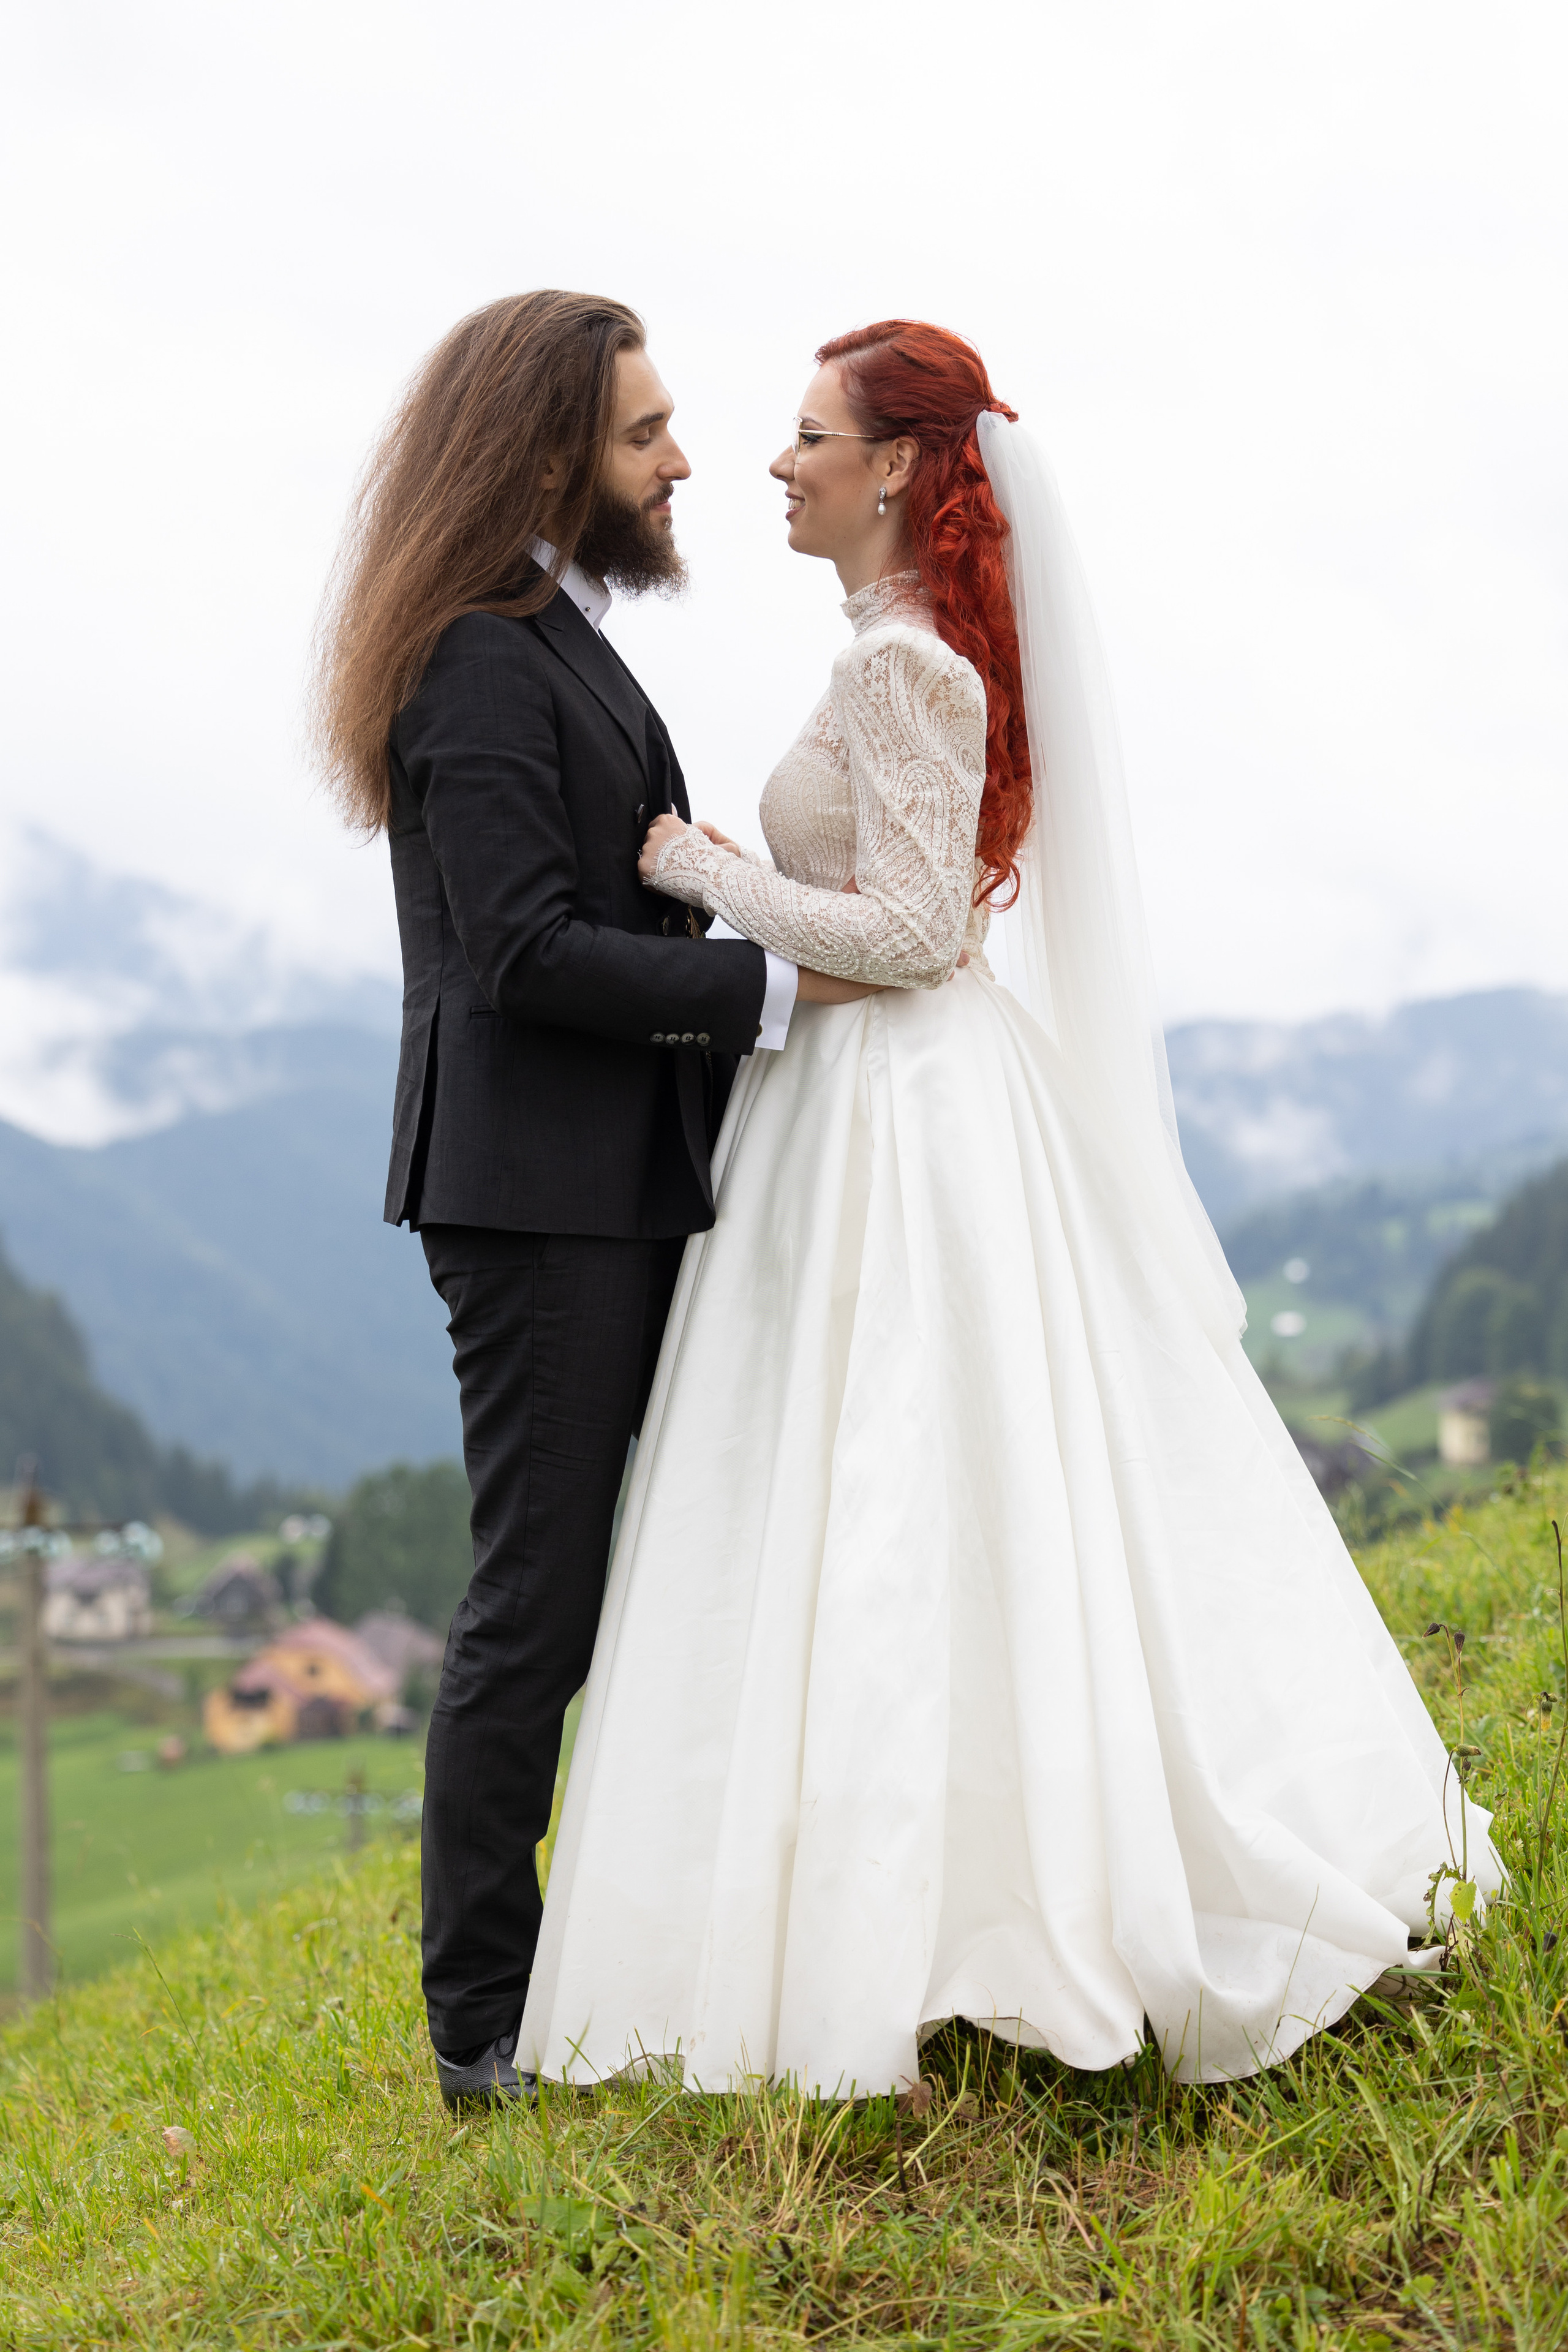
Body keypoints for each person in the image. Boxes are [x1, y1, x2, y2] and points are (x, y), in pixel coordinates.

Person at [518, 320, 1501, 2094]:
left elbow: (913, 936)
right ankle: (920, 1910)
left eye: (807, 435)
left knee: (905, 1490)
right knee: (898, 1497)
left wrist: (701, 873)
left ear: (898, 466)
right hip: (858, 1110)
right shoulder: (900, 656)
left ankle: (950, 1917)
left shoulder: (915, 674)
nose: (773, 462)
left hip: (906, 1119)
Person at [313, 292, 873, 2108]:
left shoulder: (549, 631)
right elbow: (529, 955)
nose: (685, 459)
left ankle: (577, 1962)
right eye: (647, 432)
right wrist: (783, 988)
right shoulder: (479, 657)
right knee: (536, 1601)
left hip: (602, 1183)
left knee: (586, 1582)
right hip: (538, 1201)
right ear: (550, 449)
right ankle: (482, 2023)